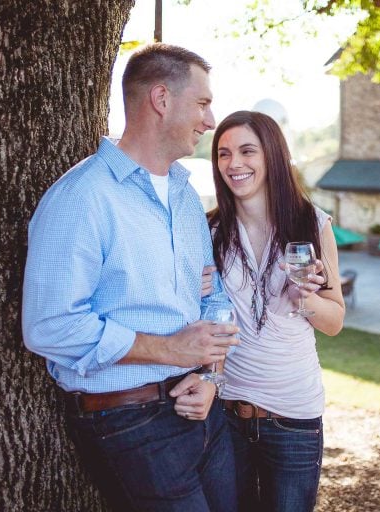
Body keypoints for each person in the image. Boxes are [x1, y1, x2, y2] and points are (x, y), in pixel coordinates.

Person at [22, 43, 239, 512]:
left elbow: (214, 295)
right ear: (161, 99)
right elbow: (49, 326)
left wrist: (209, 377)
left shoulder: (184, 193)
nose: (209, 119)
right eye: (202, 104)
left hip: (201, 406)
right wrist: (168, 349)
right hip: (130, 421)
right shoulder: (81, 197)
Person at [207, 110, 345, 511]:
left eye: (247, 151)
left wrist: (305, 298)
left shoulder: (311, 224)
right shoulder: (210, 231)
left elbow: (334, 321)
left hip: (294, 419)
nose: (234, 164)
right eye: (223, 153)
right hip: (227, 413)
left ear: (271, 155)